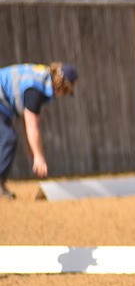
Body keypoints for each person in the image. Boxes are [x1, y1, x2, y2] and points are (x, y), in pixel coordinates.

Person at [0, 62, 78, 199]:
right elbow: (32, 124)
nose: (63, 95)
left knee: (8, 137)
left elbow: (27, 118)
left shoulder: (42, 78)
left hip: (2, 107)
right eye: (66, 92)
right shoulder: (36, 88)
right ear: (63, 87)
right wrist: (38, 156)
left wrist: (32, 147)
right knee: (8, 138)